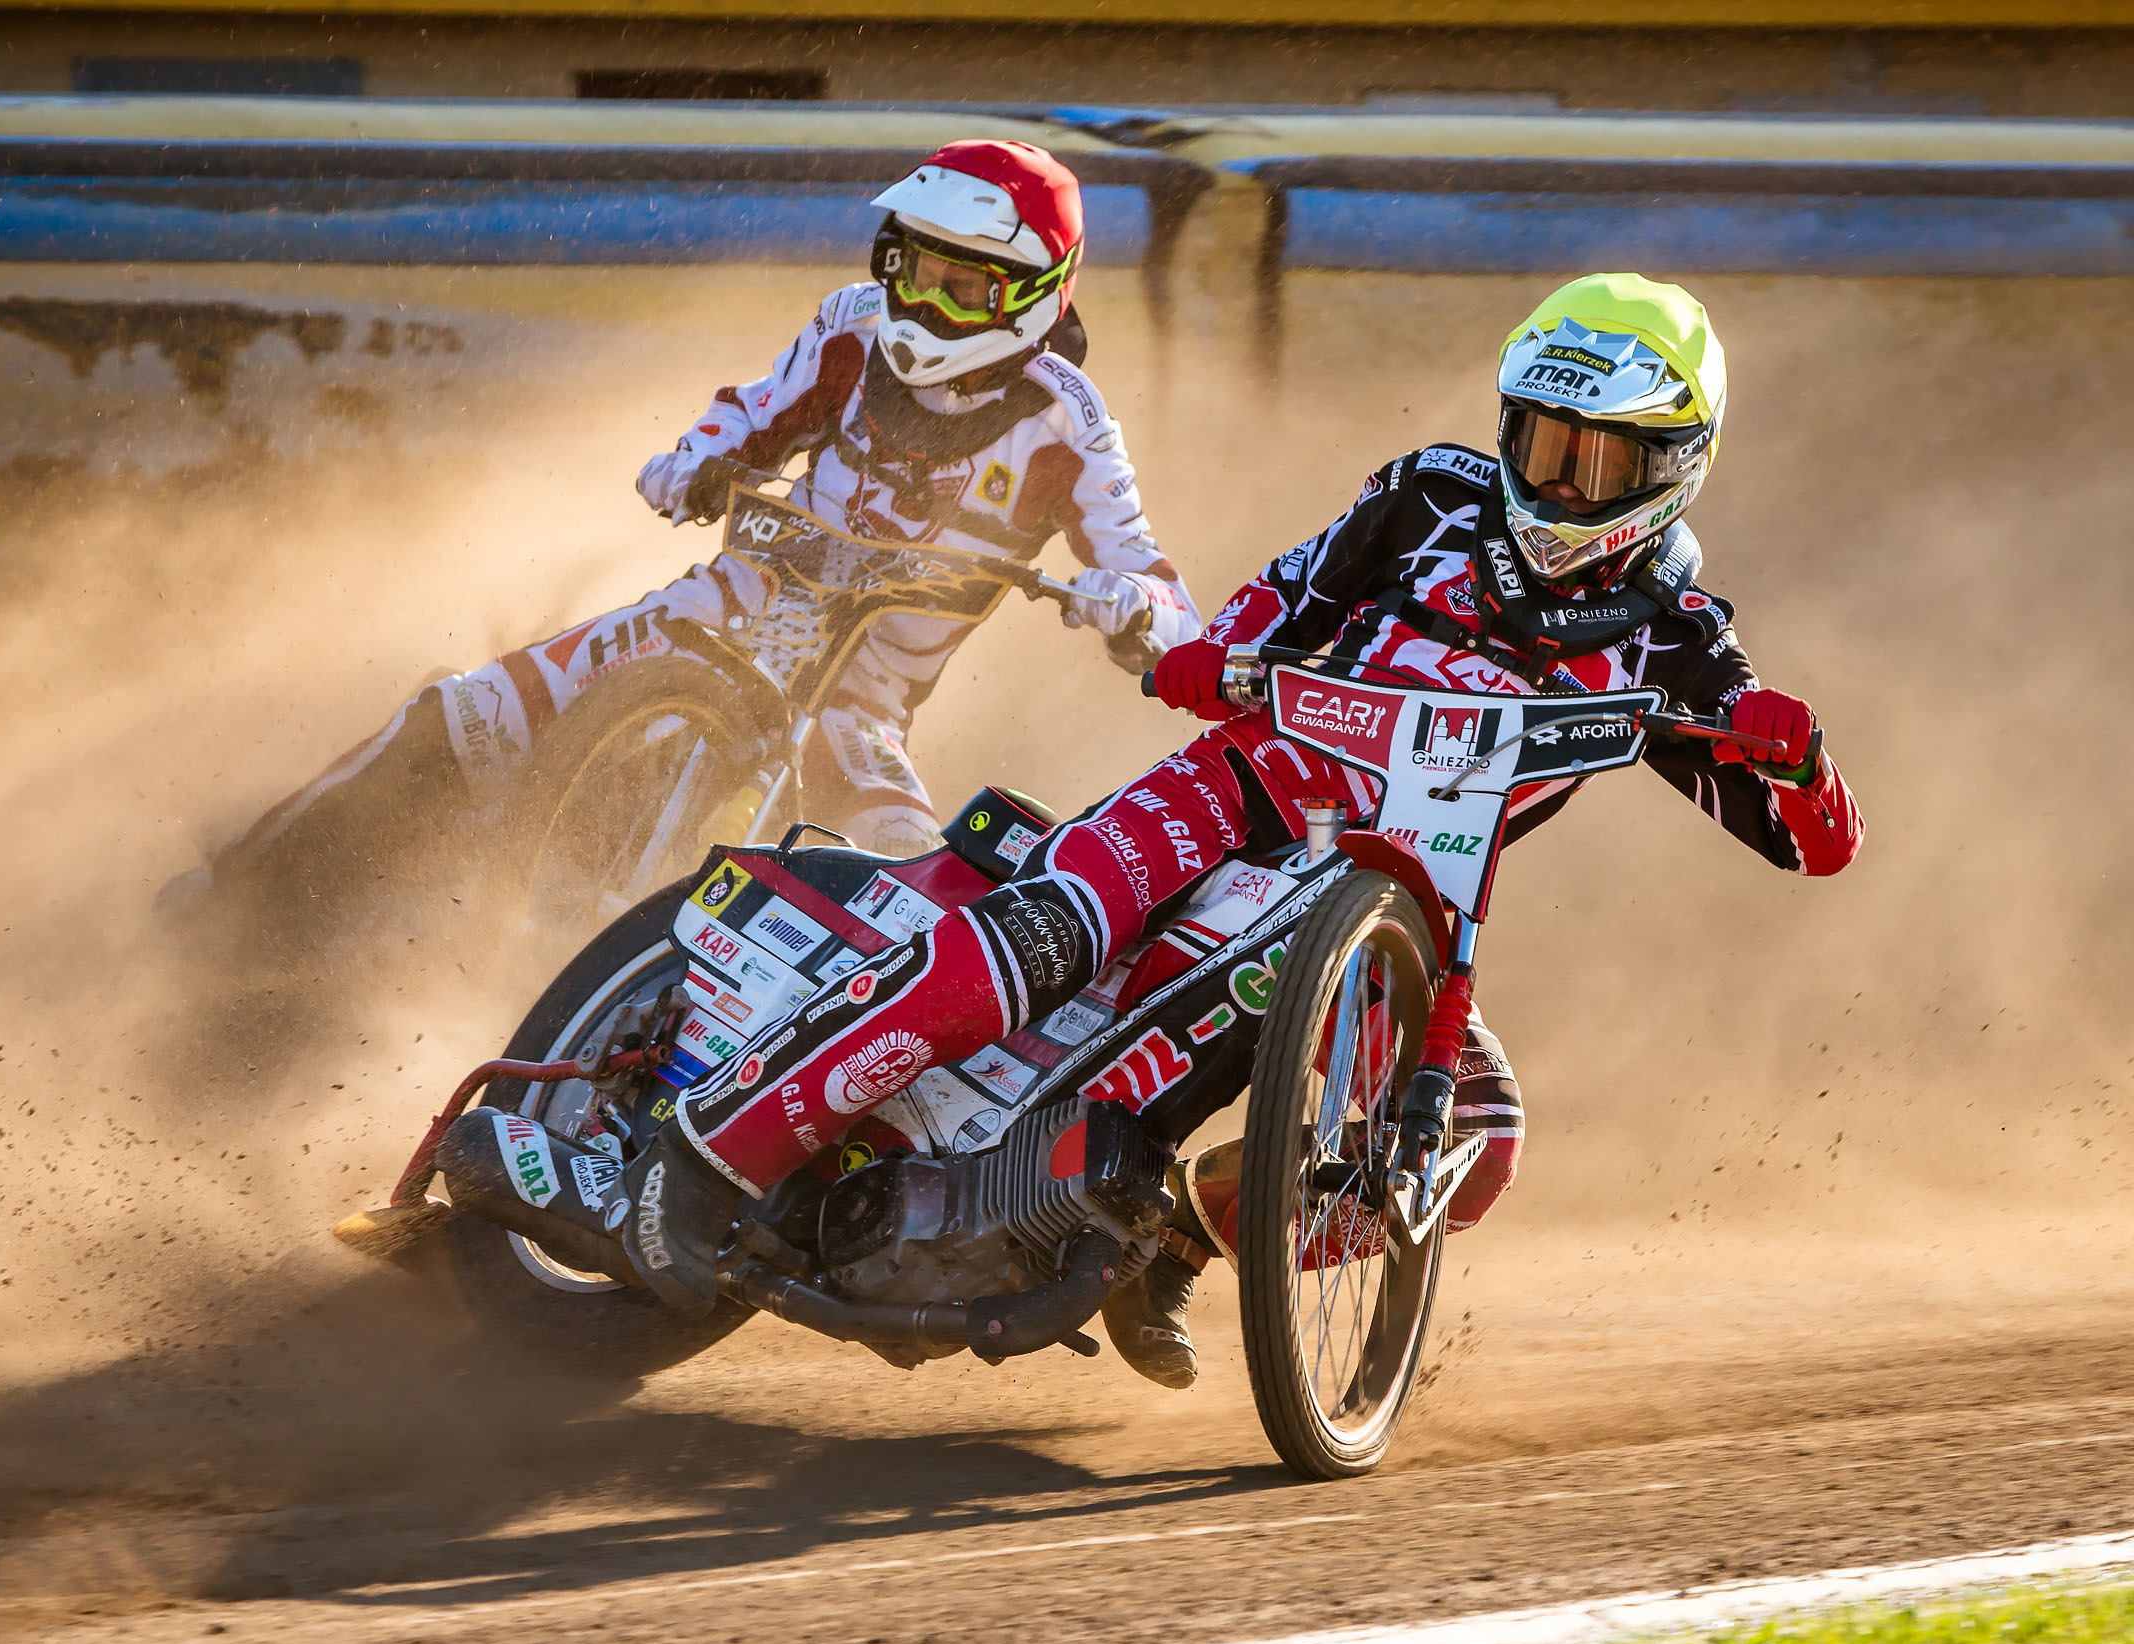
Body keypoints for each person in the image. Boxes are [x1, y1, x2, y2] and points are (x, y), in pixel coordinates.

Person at [613, 272, 1865, 1387]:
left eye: (1595, 461)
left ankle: (1180, 1234)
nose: (1553, 479)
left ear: (1672, 467)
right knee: (1049, 930)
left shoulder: (1681, 638)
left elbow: (1814, 844)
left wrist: (1791, 748)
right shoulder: (1431, 491)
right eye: (1537, 441)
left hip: (1393, 903)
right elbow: (1291, 585)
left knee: (1474, 1143)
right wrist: (1224, 652)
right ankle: (715, 1152)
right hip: (1240, 783)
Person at [174, 140, 1199, 929]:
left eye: (962, 285)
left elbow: (1158, 586)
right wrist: (692, 460)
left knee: (911, 901)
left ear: (1029, 291)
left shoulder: (1069, 419)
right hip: (721, 606)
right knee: (463, 713)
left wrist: (1131, 611)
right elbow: (751, 408)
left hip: (859, 701)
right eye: (915, 267)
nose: (924, 300)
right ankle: (229, 898)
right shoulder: (849, 324)